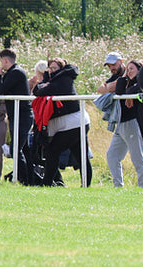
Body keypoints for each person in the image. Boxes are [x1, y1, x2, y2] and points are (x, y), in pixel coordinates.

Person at [35, 58, 91, 187]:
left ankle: (47, 183)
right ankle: (85, 186)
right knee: (79, 155)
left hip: (74, 122)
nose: (51, 71)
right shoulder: (54, 79)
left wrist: (44, 85)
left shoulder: (64, 79)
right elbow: (38, 91)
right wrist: (44, 83)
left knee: (53, 151)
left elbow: (41, 92)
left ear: (61, 68)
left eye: (54, 68)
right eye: (50, 68)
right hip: (73, 122)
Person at [97, 54, 143, 188]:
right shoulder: (120, 78)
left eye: (113, 64)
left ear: (121, 62)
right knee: (112, 156)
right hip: (121, 123)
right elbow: (102, 89)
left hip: (132, 122)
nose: (111, 68)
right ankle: (118, 187)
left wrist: (116, 88)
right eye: (109, 66)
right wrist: (115, 85)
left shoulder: (138, 79)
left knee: (138, 159)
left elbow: (121, 90)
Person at [0, 49, 33, 161]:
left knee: (15, 150)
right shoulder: (13, 72)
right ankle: (29, 177)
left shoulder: (15, 72)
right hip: (17, 115)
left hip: (22, 116)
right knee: (22, 150)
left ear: (5, 60)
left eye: (1, 62)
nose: (1, 65)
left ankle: (25, 177)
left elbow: (1, 90)